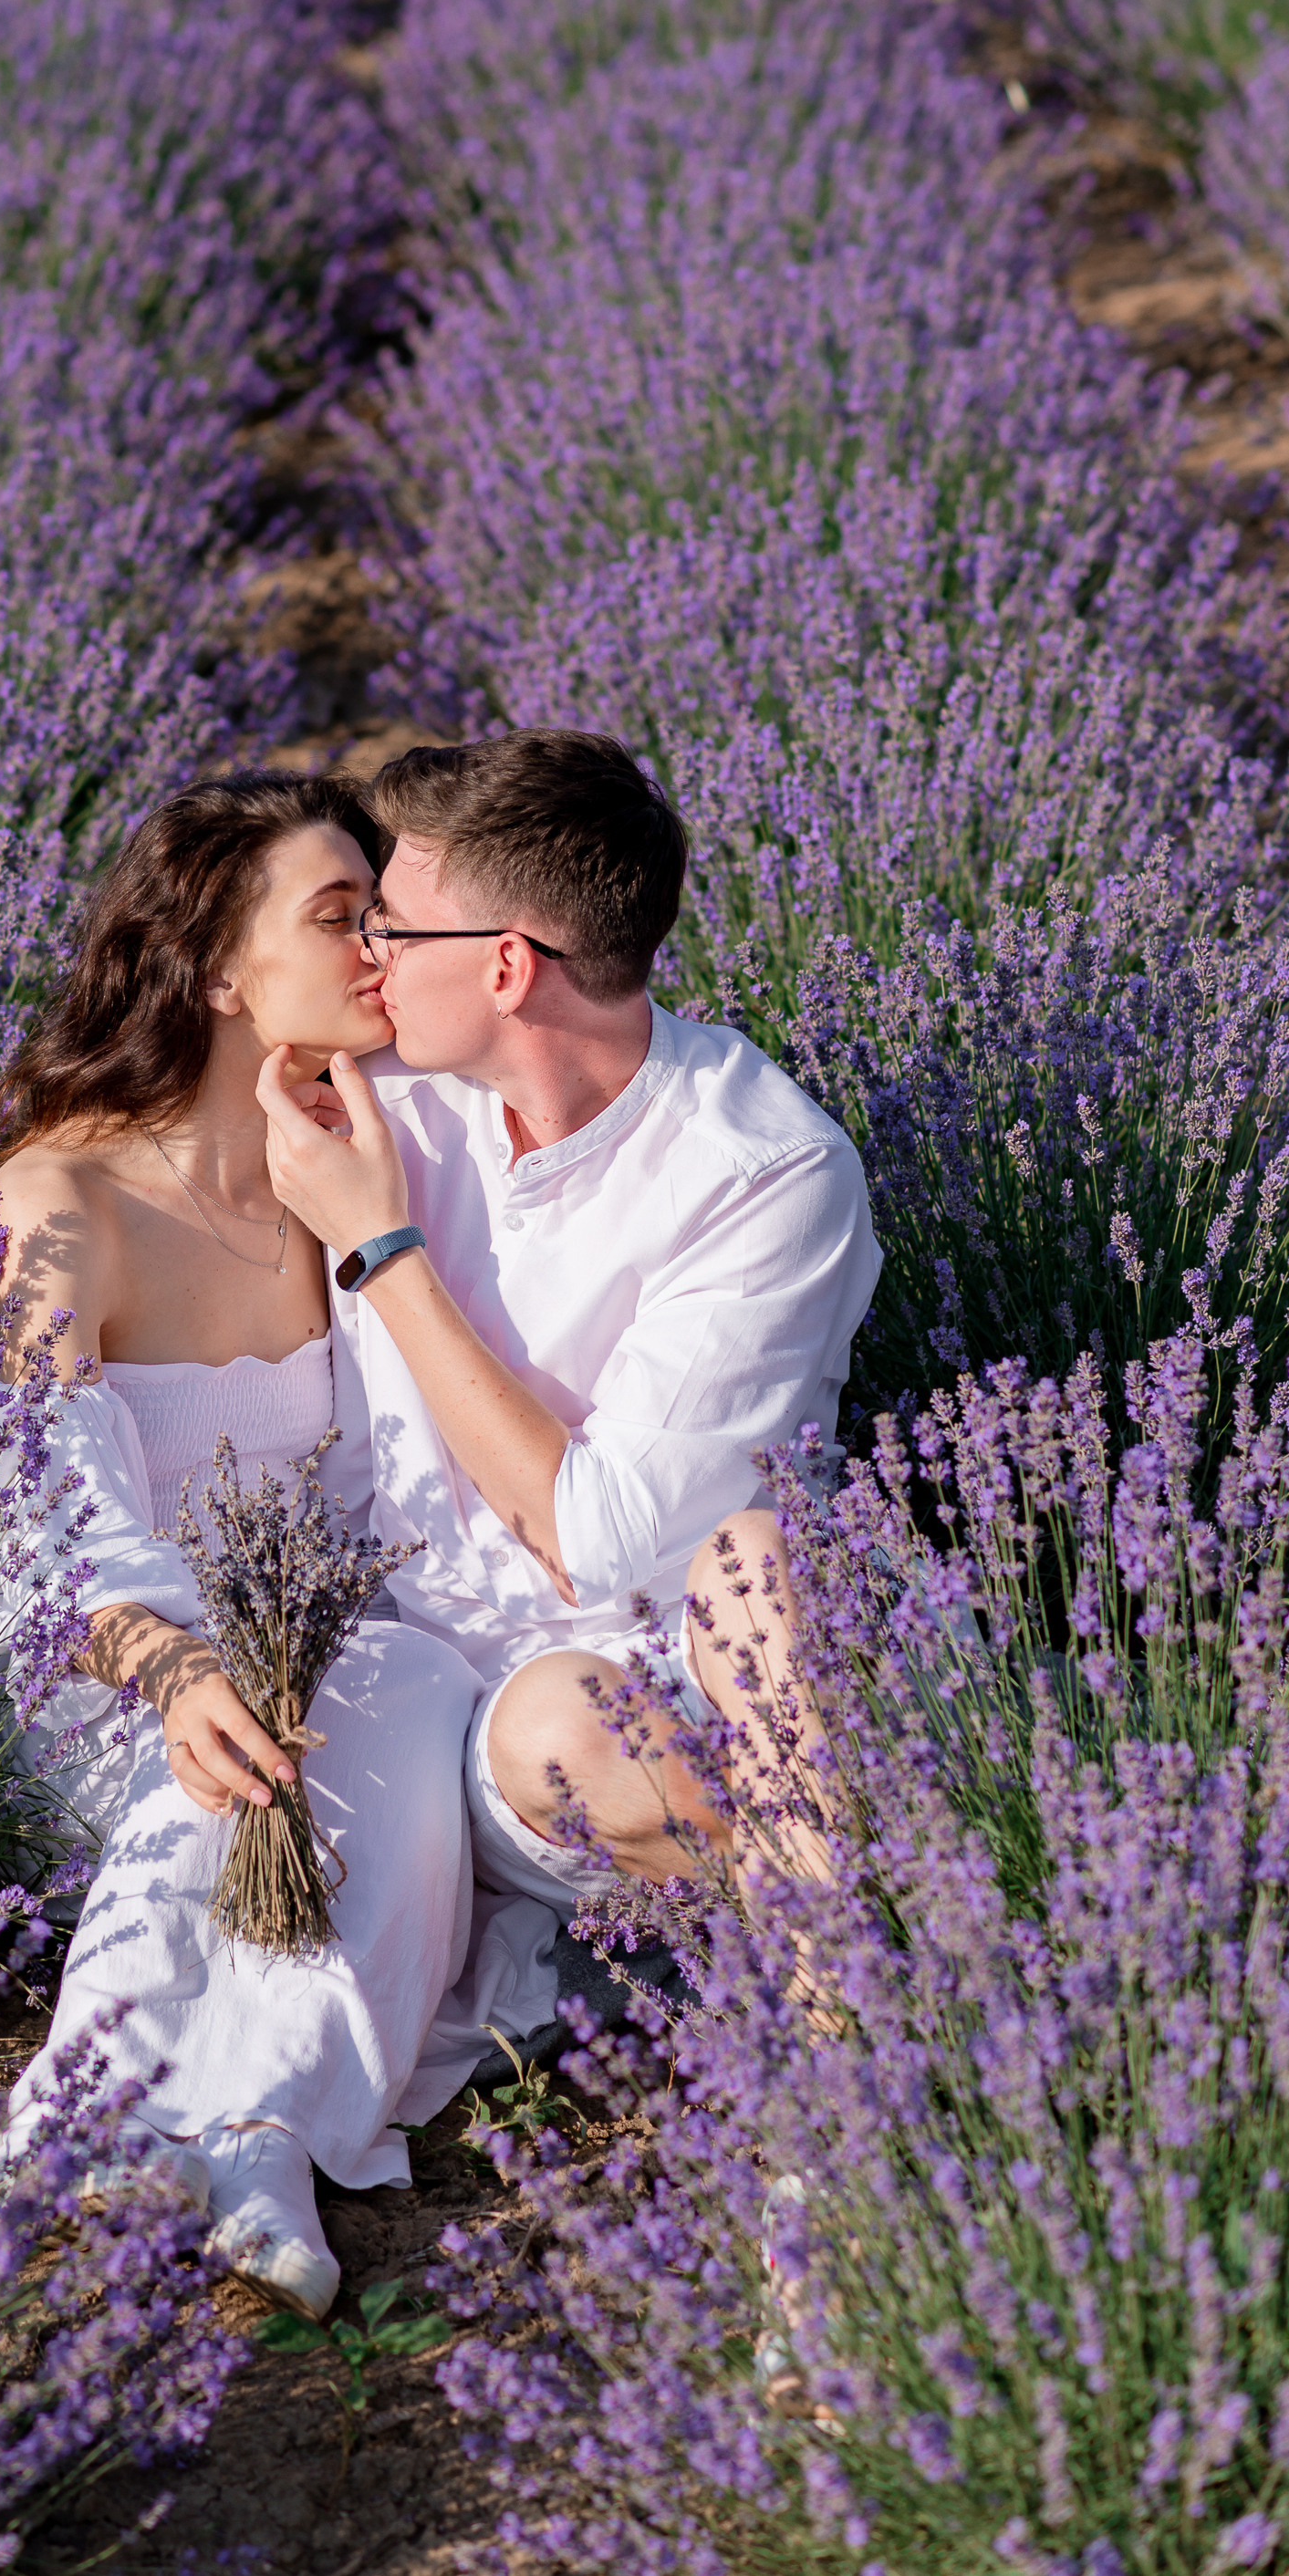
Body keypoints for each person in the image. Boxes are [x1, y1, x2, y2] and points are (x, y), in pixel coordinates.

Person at [0, 773, 499, 2321]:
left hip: (325, 1667)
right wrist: (183, 1663)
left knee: (404, 1686)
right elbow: (41, 1519)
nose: (381, 949)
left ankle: (248, 2130)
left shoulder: (357, 1166)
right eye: (341, 919)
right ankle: (108, 2116)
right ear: (215, 970)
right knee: (246, 1751)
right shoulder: (59, 1201)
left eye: (386, 915)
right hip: (106, 1673)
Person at [257, 730, 881, 2020]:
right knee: (568, 1721)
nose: (366, 955)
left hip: (775, 1688)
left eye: (393, 926)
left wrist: (387, 1254)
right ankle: (900, 1934)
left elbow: (597, 1539)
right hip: (522, 1722)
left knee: (758, 1560)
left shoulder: (762, 1168)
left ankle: (838, 2051)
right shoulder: (386, 1106)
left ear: (505, 966)